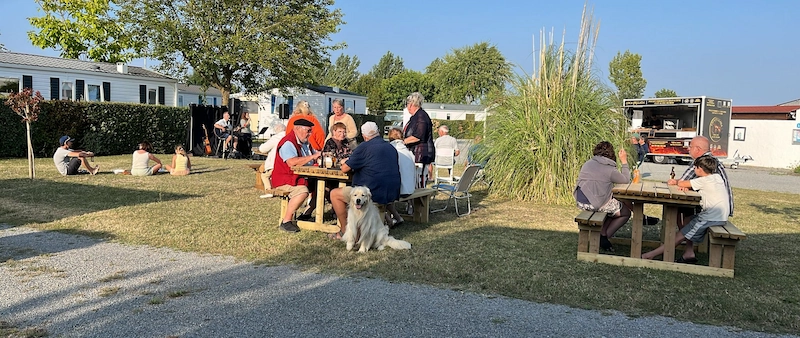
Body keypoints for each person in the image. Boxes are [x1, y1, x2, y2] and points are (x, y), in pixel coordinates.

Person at [642, 155, 730, 263]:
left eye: (695, 167)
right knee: (687, 219)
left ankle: (650, 255)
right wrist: (688, 186)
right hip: (720, 216)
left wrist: (684, 184)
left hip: (710, 218)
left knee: (680, 235)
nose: (694, 169)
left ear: (700, 169)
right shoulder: (716, 177)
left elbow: (682, 182)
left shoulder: (703, 181)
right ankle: (689, 253)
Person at [329, 122, 401, 239]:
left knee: (334, 194)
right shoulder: (390, 147)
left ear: (364, 136)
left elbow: (344, 168)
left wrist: (345, 161)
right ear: (378, 132)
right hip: (392, 192)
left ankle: (345, 231)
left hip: (373, 192)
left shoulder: (364, 147)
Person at [573, 141, 633, 252]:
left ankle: (603, 232)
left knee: (612, 205)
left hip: (581, 201)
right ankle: (603, 237)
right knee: (625, 212)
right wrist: (624, 161)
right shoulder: (610, 169)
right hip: (595, 204)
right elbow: (625, 180)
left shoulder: (588, 163)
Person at [668, 135, 734, 229]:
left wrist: (681, 183)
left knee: (681, 210)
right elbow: (690, 180)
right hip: (721, 210)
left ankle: (682, 239)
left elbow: (684, 181)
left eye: (690, 147)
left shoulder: (702, 162)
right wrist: (678, 181)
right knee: (684, 211)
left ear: (698, 149)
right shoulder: (711, 160)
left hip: (713, 213)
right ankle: (685, 238)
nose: (688, 149)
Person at [270, 118, 321, 233]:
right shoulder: (288, 143)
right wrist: (313, 157)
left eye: (310, 131)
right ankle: (286, 221)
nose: (310, 134)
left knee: (325, 188)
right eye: (308, 131)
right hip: (284, 179)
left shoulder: (305, 143)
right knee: (302, 191)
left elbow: (313, 156)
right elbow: (292, 162)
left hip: (301, 177)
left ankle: (306, 214)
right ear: (297, 129)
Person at [402, 92, 435, 188]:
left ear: (411, 104)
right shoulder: (416, 116)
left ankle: (420, 202)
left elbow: (418, 135)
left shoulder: (421, 116)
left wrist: (403, 142)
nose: (407, 106)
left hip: (421, 154)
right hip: (416, 153)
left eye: (407, 104)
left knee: (419, 181)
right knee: (415, 179)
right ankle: (415, 202)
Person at [386, 127, 416, 227]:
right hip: (410, 188)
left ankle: (391, 218)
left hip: (399, 190)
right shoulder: (409, 152)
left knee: (379, 194)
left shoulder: (390, 150)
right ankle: (395, 217)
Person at [257, 122, 287, 198]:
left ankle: (269, 190)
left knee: (265, 175)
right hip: (286, 162)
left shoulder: (276, 138)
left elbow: (263, 149)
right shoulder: (288, 136)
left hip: (275, 162)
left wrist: (261, 146)